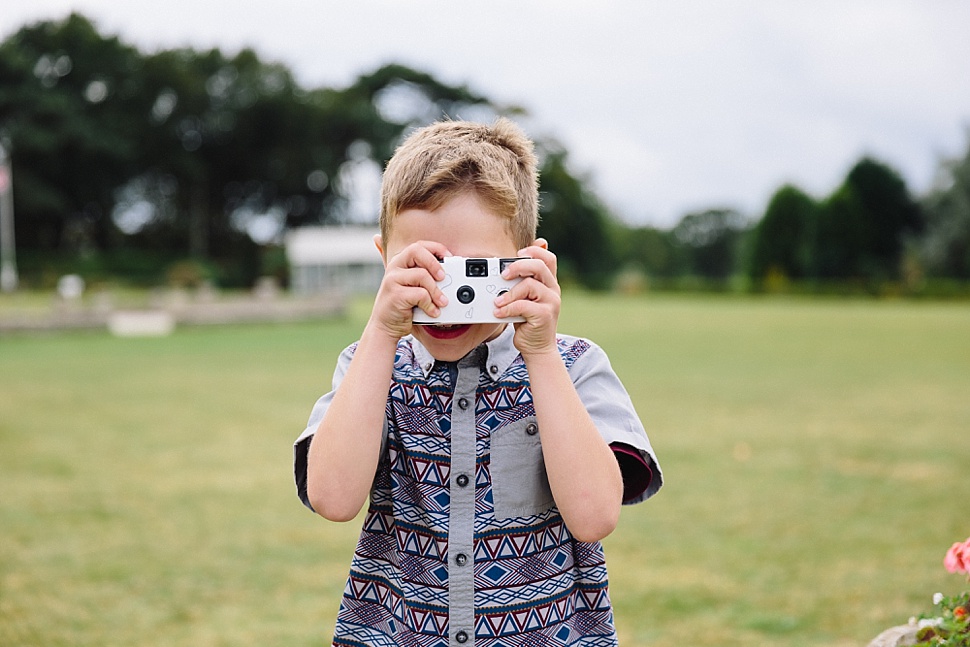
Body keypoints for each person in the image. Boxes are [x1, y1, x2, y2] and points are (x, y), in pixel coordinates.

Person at [294, 118, 662, 647]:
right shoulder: (370, 365)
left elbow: (594, 515)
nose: (447, 300)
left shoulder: (574, 365)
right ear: (384, 260)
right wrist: (380, 332)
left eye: (476, 273)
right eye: (425, 269)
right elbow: (332, 497)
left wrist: (539, 354)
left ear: (528, 262)